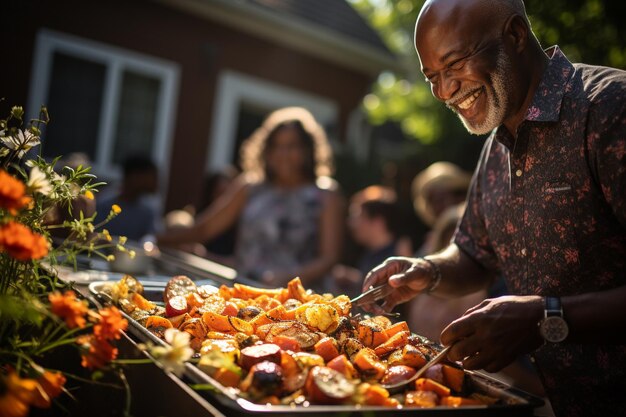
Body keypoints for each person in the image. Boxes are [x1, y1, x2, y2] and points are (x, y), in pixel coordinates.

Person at [362, 0, 626, 416]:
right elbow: (472, 254)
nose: (445, 91)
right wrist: (427, 271)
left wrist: (546, 316)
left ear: (515, 36)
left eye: (454, 64)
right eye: (432, 76)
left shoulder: (609, 109)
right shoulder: (494, 146)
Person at [158, 107, 344, 292]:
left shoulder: (325, 194)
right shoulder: (249, 187)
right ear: (267, 151)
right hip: (245, 291)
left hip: (300, 297)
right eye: (277, 146)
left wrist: (291, 278)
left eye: (292, 146)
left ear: (307, 150)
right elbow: (205, 228)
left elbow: (329, 258)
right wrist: (158, 240)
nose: (283, 154)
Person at [331, 186, 412, 298]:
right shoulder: (368, 253)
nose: (351, 223)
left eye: (357, 216)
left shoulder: (401, 252)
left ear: (378, 221)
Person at [95, 154, 160, 242]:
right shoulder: (104, 205)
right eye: (153, 176)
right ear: (135, 176)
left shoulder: (147, 211)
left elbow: (151, 239)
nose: (156, 182)